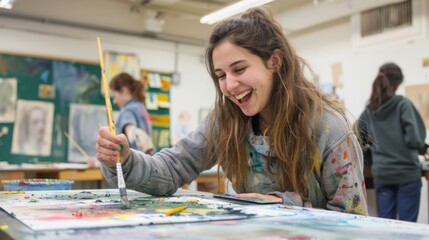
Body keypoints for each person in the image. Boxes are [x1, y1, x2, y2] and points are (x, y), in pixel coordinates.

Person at [96, 7, 368, 215]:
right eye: (220, 75)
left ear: (274, 61)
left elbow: (353, 219)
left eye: (239, 69)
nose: (229, 85)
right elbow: (172, 168)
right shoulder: (225, 121)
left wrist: (287, 204)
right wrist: (125, 160)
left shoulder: (327, 128)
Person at [357, 62, 429, 222]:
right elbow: (415, 139)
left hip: (382, 175)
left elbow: (357, 136)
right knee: (408, 227)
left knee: (386, 226)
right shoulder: (403, 105)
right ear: (396, 84)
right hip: (407, 175)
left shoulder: (370, 110)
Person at [109, 72, 155, 155]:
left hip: (134, 164)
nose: (114, 102)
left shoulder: (127, 109)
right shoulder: (141, 107)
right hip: (148, 161)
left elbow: (130, 128)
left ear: (124, 90)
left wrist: (142, 139)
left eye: (114, 96)